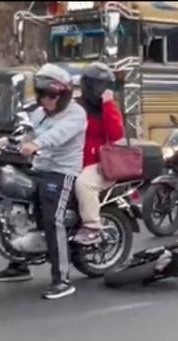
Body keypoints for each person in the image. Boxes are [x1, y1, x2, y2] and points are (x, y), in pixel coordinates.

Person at [0, 64, 87, 301]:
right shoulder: (40, 113)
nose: (46, 99)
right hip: (40, 168)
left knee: (51, 218)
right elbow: (27, 134)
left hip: (62, 173)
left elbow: (56, 136)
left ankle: (62, 280)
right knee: (7, 202)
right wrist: (1, 142)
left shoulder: (76, 113)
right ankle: (19, 264)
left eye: (52, 95)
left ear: (64, 95)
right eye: (42, 94)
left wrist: (36, 145)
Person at [73, 62, 124, 245]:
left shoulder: (108, 107)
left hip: (99, 165)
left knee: (84, 183)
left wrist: (108, 104)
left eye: (104, 86)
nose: (100, 90)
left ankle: (92, 227)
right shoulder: (75, 106)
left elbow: (117, 134)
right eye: (96, 85)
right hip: (73, 162)